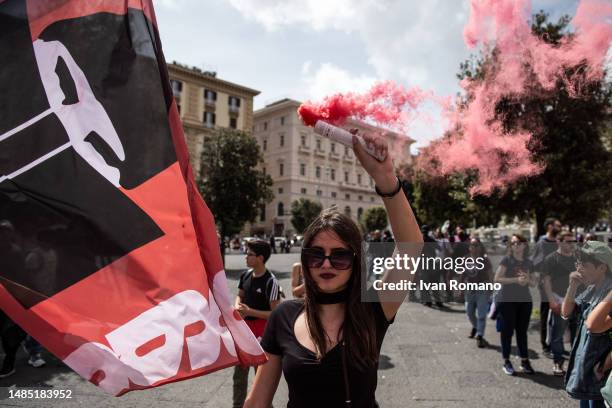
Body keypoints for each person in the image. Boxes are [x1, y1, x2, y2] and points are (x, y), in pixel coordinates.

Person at [243, 130, 422, 408]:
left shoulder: (374, 308)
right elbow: (256, 403)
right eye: (316, 255)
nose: (326, 264)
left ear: (355, 262)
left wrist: (385, 179)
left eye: (339, 257)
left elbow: (410, 245)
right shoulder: (283, 316)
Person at [562, 241, 612, 408]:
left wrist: (605, 364)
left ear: (602, 268)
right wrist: (572, 285)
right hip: (586, 368)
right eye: (578, 264)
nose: (579, 268)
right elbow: (566, 312)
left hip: (600, 373)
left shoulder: (608, 292)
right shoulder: (591, 289)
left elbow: (592, 325)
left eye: (585, 265)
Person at [233, 240, 282, 408]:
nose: (245, 257)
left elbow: (275, 314)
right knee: (239, 374)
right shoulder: (245, 275)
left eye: (249, 254)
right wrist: (237, 305)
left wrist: (250, 312)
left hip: (263, 333)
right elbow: (240, 294)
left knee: (261, 379)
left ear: (260, 258)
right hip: (244, 331)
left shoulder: (271, 282)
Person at [494, 234, 538, 376]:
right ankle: (506, 361)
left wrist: (527, 281)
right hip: (507, 300)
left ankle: (525, 361)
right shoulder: (507, 260)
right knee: (507, 332)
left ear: (525, 245)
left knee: (522, 331)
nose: (516, 245)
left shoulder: (528, 262)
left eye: (519, 242)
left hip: (524, 300)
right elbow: (497, 279)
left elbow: (533, 282)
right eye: (513, 243)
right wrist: (515, 280)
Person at [541, 231, 578, 376]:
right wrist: (551, 300)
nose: (571, 244)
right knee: (557, 335)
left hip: (578, 301)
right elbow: (546, 281)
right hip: (559, 300)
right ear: (559, 242)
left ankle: (575, 365)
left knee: (577, 335)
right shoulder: (551, 259)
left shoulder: (577, 257)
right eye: (568, 241)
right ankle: (558, 363)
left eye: (573, 241)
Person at [533, 217, 562, 357]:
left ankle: (556, 343)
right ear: (550, 226)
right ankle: (545, 346)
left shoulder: (559, 242)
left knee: (559, 315)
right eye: (558, 225)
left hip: (560, 284)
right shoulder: (542, 243)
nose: (560, 227)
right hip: (545, 284)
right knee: (545, 314)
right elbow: (535, 262)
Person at [463, 238, 493, 348]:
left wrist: (491, 288)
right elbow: (463, 274)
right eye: (472, 245)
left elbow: (490, 275)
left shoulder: (485, 260)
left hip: (482, 288)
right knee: (469, 312)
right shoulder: (466, 259)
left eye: (476, 245)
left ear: (480, 247)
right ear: (469, 247)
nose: (474, 247)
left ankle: (480, 336)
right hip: (469, 289)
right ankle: (476, 327)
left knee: (481, 314)